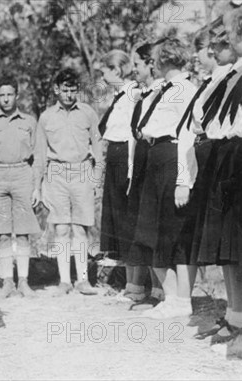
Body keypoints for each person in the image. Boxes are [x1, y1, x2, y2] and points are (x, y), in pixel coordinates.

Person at [128, 38, 198, 320]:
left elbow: (188, 134)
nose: (151, 62)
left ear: (168, 58)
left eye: (156, 58)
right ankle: (171, 297)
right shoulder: (161, 89)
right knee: (149, 231)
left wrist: (184, 180)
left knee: (174, 232)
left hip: (172, 158)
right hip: (154, 157)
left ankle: (182, 300)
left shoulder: (184, 89)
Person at [192, 10, 242, 358]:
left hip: (240, 153)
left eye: (227, 35)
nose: (219, 45)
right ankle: (239, 320)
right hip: (227, 155)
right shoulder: (234, 75)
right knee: (233, 248)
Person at [37, 68, 102, 296]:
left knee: (81, 228)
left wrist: (96, 179)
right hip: (56, 173)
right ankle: (64, 280)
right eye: (65, 90)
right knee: (61, 228)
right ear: (56, 90)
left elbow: (98, 147)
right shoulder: (46, 117)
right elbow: (40, 154)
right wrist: (38, 186)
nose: (69, 95)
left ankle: (83, 280)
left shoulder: (88, 113)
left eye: (73, 90)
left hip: (83, 171)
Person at [0, 75, 41, 298]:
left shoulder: (29, 121)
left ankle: (23, 282)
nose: (5, 99)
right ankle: (7, 283)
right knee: (2, 233)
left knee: (23, 232)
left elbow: (39, 156)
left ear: (16, 95)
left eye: (9, 94)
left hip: (23, 174)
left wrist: (37, 187)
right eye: (1, 95)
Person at [96, 50, 142, 302]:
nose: (103, 74)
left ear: (117, 70)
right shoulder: (118, 96)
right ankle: (128, 283)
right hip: (114, 156)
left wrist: (131, 169)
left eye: (106, 69)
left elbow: (133, 135)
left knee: (128, 219)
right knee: (116, 219)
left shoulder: (134, 94)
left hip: (126, 157)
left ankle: (137, 286)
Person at [125, 40, 166, 310]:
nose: (134, 70)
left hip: (157, 160)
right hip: (139, 161)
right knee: (142, 225)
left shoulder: (164, 91)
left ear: (151, 63)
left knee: (157, 225)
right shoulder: (143, 93)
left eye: (137, 64)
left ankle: (163, 292)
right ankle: (150, 288)